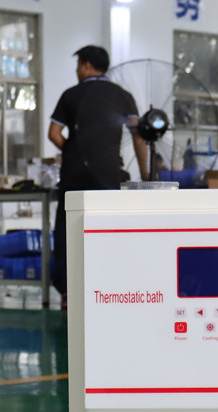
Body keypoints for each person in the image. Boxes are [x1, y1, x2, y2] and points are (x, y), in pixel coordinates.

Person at [48, 46, 149, 305]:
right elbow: (139, 136)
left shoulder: (70, 95)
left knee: (69, 229)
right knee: (107, 228)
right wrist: (146, 173)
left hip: (74, 174)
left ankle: (68, 293)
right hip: (108, 173)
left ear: (86, 65)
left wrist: (71, 151)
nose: (76, 70)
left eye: (78, 65)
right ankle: (107, 287)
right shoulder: (123, 96)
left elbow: (54, 134)